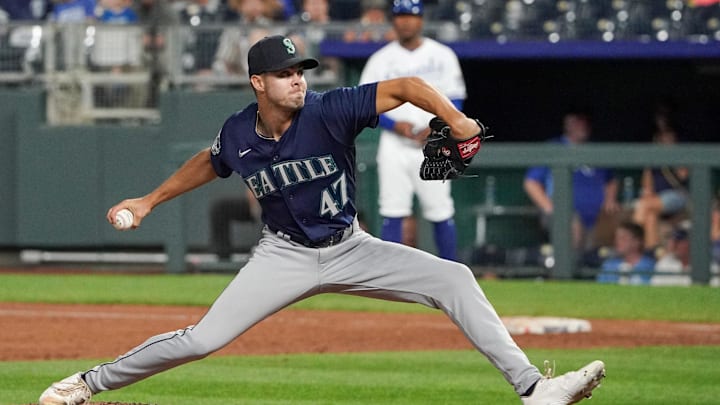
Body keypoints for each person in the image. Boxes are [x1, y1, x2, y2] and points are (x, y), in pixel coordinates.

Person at [38, 35, 605, 405]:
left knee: (455, 278)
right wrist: (148, 200)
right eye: (284, 73)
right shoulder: (239, 132)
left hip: (351, 246)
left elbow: (407, 88)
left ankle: (533, 388)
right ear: (258, 82)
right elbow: (209, 165)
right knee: (202, 339)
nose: (297, 79)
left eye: (300, 70)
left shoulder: (330, 109)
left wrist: (456, 121)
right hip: (282, 255)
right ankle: (84, 385)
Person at [358, 0, 465, 261]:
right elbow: (364, 105)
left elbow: (456, 100)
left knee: (440, 210)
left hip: (435, 141)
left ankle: (451, 272)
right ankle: (392, 275)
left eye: (411, 15)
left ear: (421, 19)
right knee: (393, 209)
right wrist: (394, 125)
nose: (405, 21)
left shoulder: (442, 55)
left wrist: (437, 125)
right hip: (395, 142)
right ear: (393, 20)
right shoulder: (381, 59)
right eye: (400, 15)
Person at [524, 110, 619, 257]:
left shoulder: (595, 149)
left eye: (584, 123)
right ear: (568, 124)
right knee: (572, 226)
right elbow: (531, 183)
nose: (582, 127)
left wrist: (610, 199)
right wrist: (550, 208)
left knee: (624, 220)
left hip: (598, 215)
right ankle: (569, 274)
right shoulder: (555, 147)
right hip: (566, 213)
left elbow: (611, 180)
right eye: (578, 122)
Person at [632, 127, 689, 250]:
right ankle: (651, 250)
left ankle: (631, 242)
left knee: (643, 206)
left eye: (669, 138)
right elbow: (647, 188)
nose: (666, 141)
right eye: (663, 138)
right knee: (650, 215)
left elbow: (683, 176)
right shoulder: (654, 159)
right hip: (657, 200)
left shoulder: (681, 155)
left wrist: (671, 157)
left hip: (677, 196)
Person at [596, 221, 656, 285]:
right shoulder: (609, 266)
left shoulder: (651, 267)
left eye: (623, 238)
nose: (617, 242)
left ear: (637, 242)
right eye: (616, 238)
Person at [651, 221, 692, 286]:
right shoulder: (664, 263)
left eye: (679, 241)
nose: (674, 245)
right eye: (672, 240)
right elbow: (656, 290)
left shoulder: (706, 265)